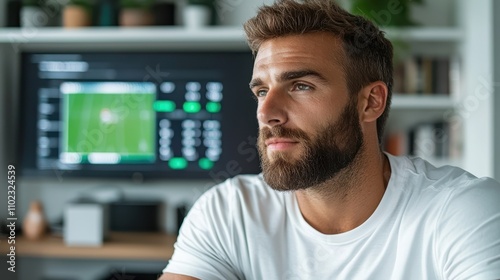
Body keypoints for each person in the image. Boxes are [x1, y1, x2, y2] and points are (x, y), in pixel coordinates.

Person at [160, 0, 500, 279]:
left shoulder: (462, 210)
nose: (267, 113)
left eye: (301, 86)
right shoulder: (229, 211)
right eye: (262, 90)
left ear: (370, 102)